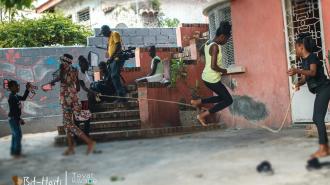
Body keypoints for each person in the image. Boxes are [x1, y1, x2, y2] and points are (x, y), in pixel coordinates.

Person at [287, 33, 330, 158]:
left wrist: (296, 71)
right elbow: (306, 78)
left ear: (301, 46)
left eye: (295, 47)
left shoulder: (312, 57)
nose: (295, 49)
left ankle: (324, 148)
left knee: (317, 118)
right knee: (317, 118)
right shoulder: (305, 60)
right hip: (321, 90)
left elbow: (312, 72)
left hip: (325, 88)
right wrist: (298, 83)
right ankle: (325, 148)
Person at [44, 54, 95, 155]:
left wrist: (51, 83)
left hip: (67, 100)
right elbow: (78, 88)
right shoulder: (74, 70)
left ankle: (89, 142)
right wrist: (73, 93)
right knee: (67, 124)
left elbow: (59, 78)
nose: (61, 63)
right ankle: (71, 147)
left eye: (62, 61)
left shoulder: (65, 70)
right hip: (73, 98)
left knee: (68, 124)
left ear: (65, 62)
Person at [190, 21, 233, 126]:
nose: (226, 41)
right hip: (212, 79)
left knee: (222, 97)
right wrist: (224, 70)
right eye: (226, 39)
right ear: (222, 36)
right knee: (228, 100)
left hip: (206, 76)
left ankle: (198, 102)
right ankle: (203, 115)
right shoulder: (215, 47)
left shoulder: (208, 42)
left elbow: (202, 53)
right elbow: (213, 66)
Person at [100, 25, 127, 103]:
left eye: (103, 32)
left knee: (114, 75)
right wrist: (108, 56)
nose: (103, 35)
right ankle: (117, 95)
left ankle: (122, 97)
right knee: (110, 77)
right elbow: (111, 49)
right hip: (112, 59)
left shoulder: (114, 33)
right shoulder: (109, 38)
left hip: (117, 58)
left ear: (107, 30)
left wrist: (111, 57)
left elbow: (118, 46)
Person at [7, 80, 31, 158]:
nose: (18, 87)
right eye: (16, 86)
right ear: (11, 88)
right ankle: (16, 153)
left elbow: (23, 98)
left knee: (15, 135)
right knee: (18, 135)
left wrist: (27, 89)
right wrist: (19, 119)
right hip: (13, 118)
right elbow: (14, 111)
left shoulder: (15, 96)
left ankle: (14, 151)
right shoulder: (11, 98)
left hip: (14, 118)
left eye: (17, 85)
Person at [76, 55, 95, 137]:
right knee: (79, 120)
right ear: (81, 64)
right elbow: (83, 87)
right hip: (80, 99)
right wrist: (92, 92)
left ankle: (84, 136)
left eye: (88, 64)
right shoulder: (79, 73)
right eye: (86, 64)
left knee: (85, 118)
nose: (88, 65)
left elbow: (88, 86)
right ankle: (78, 137)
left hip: (85, 99)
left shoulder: (85, 73)